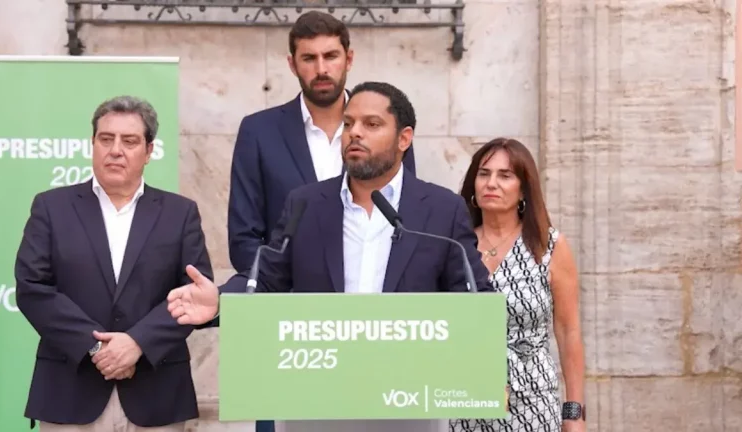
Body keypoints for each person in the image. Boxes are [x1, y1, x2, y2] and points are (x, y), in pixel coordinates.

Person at [166, 80, 492, 324]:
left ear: (404, 138)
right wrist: (221, 301)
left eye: (372, 124)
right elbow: (265, 280)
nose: (354, 133)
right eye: (348, 123)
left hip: (410, 392)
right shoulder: (306, 205)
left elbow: (473, 299)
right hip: (321, 387)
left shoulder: (442, 210)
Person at [14, 95, 213, 432]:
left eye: (130, 141)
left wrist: (137, 343)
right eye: (106, 139)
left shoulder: (180, 214)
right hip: (69, 392)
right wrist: (96, 347)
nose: (116, 149)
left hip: (156, 394)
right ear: (93, 144)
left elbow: (194, 296)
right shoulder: (52, 207)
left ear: (149, 152)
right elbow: (33, 289)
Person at [228, 10, 417, 273]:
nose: (321, 69)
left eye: (330, 56)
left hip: (375, 299)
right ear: (292, 64)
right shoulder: (259, 131)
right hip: (288, 302)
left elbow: (405, 218)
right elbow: (243, 238)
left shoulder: (387, 128)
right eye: (309, 58)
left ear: (348, 59)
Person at [449, 138, 586, 432]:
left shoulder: (548, 246)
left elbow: (568, 330)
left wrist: (574, 415)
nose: (491, 183)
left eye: (505, 175)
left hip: (534, 403)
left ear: (524, 188)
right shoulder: (456, 247)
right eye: (483, 174)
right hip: (466, 401)